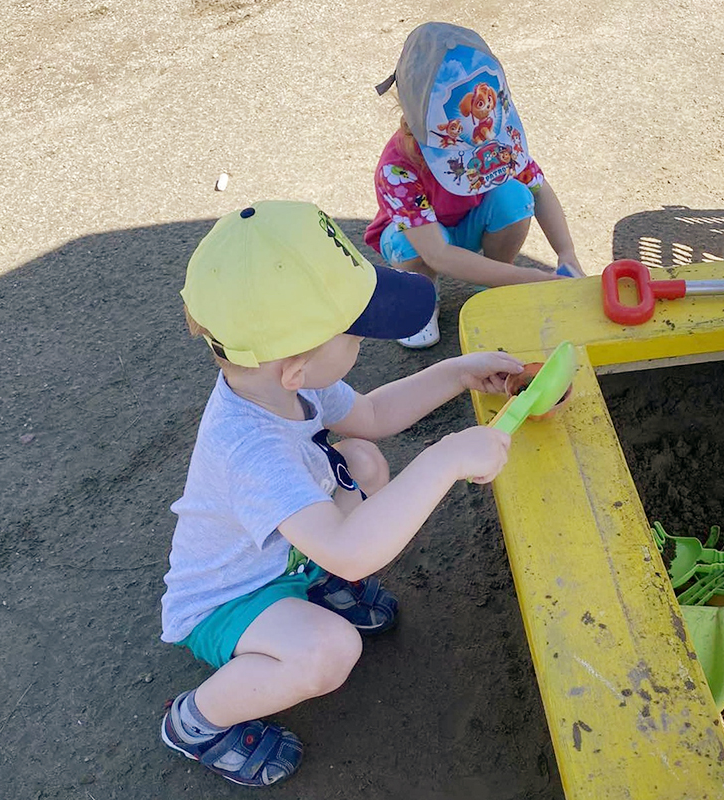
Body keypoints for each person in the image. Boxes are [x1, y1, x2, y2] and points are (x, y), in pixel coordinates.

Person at [159, 200, 524, 787]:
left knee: (361, 459)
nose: (366, 337)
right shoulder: (253, 450)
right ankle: (197, 722)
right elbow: (352, 550)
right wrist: (445, 457)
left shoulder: (282, 387)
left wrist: (459, 372)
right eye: (355, 329)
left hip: (287, 556)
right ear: (296, 369)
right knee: (328, 653)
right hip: (230, 599)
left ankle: (315, 588)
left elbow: (374, 412)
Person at [364, 21, 585, 349]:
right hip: (425, 241)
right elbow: (437, 253)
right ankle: (421, 300)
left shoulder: (495, 134)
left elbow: (539, 190)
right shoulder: (397, 169)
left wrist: (567, 254)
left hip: (468, 222)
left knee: (515, 197)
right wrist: (533, 280)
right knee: (410, 246)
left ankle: (496, 278)